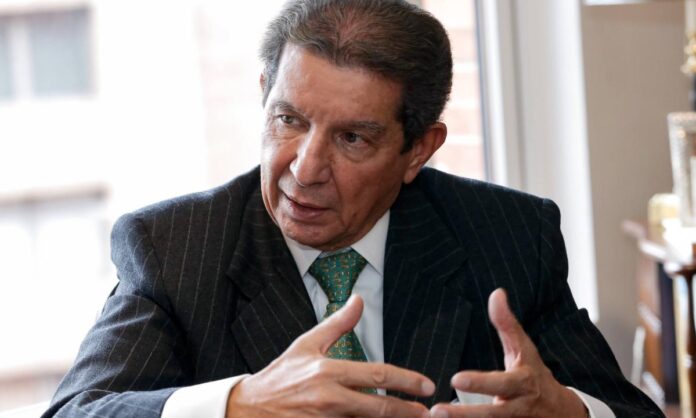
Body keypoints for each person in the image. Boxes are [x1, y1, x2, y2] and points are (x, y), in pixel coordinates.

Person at [42, 1, 663, 417]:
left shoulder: (508, 237)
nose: (305, 168)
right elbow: (75, 412)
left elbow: (630, 411)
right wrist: (239, 406)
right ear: (264, 97)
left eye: (351, 139)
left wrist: (570, 412)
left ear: (418, 149)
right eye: (289, 120)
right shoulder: (176, 248)